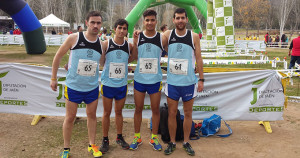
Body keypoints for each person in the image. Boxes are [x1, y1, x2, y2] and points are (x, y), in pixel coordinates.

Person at [50, 11, 103, 158]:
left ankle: (92, 145)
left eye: (98, 23)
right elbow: (58, 56)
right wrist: (53, 78)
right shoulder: (74, 38)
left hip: (92, 87)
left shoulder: (101, 43)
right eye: (92, 22)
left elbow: (104, 63)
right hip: (74, 86)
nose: (95, 25)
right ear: (86, 22)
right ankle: (66, 148)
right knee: (70, 117)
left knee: (92, 116)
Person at [162, 8, 204, 156]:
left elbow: (199, 58)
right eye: (177, 18)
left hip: (188, 82)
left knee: (188, 113)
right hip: (173, 83)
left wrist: (201, 79)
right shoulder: (168, 34)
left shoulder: (193, 36)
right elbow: (155, 43)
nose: (180, 20)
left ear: (187, 20)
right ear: (173, 20)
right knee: (171, 113)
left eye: (182, 18)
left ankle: (186, 141)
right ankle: (172, 142)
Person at [129, 9, 168, 151]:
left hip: (155, 80)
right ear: (143, 22)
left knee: (155, 110)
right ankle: (137, 137)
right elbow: (133, 56)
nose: (150, 22)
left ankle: (154, 138)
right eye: (147, 20)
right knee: (138, 108)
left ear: (156, 21)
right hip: (140, 79)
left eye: (152, 20)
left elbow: (172, 51)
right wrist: (134, 42)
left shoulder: (161, 38)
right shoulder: (138, 37)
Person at [99, 19, 135, 153]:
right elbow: (102, 62)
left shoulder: (129, 46)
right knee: (107, 113)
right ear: (114, 29)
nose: (122, 31)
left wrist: (125, 66)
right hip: (108, 84)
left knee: (119, 112)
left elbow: (131, 58)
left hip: (121, 84)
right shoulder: (106, 44)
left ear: (127, 31)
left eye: (124, 28)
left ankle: (119, 137)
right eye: (119, 28)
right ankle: (105, 139)